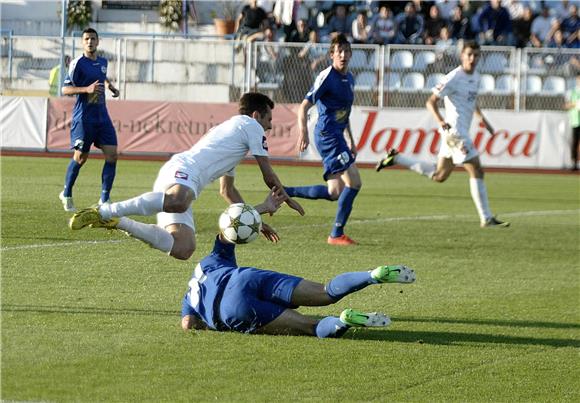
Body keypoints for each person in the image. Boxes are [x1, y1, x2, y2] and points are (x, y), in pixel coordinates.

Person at [69, 92, 305, 260]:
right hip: (184, 172)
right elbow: (268, 174)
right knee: (178, 201)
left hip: (181, 177)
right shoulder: (250, 125)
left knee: (183, 249)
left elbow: (227, 191)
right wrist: (287, 196)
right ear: (256, 115)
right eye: (269, 120)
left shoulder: (232, 138)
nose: (270, 127)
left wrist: (255, 218)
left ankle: (116, 221)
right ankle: (104, 210)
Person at [181, 189, 416, 337]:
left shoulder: (189, 300)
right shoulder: (208, 263)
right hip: (245, 278)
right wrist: (262, 211)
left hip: (230, 309)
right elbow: (228, 230)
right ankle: (372, 275)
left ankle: (342, 321)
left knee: (311, 326)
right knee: (325, 292)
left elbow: (187, 323)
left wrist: (206, 323)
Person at [375, 41, 510, 228]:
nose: (472, 59)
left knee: (440, 175)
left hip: (458, 132)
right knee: (477, 169)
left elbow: (471, 101)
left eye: (476, 55)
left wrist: (483, 120)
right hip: (454, 133)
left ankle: (397, 159)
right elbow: (430, 102)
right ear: (462, 55)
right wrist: (440, 121)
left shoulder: (476, 77)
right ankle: (486, 218)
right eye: (469, 55)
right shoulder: (454, 77)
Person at [284, 34, 361, 246]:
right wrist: (303, 132)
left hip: (338, 136)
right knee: (354, 182)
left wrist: (351, 140)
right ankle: (336, 234)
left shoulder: (350, 79)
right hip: (327, 135)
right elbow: (304, 106)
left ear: (351, 54)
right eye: (339, 52)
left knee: (334, 191)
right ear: (331, 55)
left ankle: (286, 191)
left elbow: (344, 114)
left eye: (346, 51)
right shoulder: (327, 77)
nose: (343, 55)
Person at [59, 28, 120, 212]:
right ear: (82, 42)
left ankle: (104, 199)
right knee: (81, 158)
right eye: (86, 39)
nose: (90, 42)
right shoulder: (77, 64)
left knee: (112, 155)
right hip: (84, 119)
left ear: (98, 41)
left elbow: (101, 76)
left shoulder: (103, 62)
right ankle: (66, 192)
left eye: (93, 39)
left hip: (102, 116)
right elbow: (65, 89)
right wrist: (86, 90)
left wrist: (111, 87)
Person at [564, 75, 580, 171]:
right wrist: (576, 104)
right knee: (574, 142)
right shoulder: (572, 92)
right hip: (575, 121)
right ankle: (574, 162)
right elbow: (566, 105)